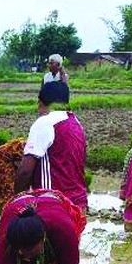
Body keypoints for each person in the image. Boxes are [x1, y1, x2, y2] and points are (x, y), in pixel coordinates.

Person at [16, 81, 87, 212]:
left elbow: (25, 172)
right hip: (78, 205)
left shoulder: (45, 122)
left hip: (52, 203)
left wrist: (17, 202)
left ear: (41, 102)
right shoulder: (76, 123)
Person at [0, 138, 26, 221]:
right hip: (2, 160)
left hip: (8, 159)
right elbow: (22, 167)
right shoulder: (27, 149)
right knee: (7, 194)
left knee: (7, 195)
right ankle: (2, 221)